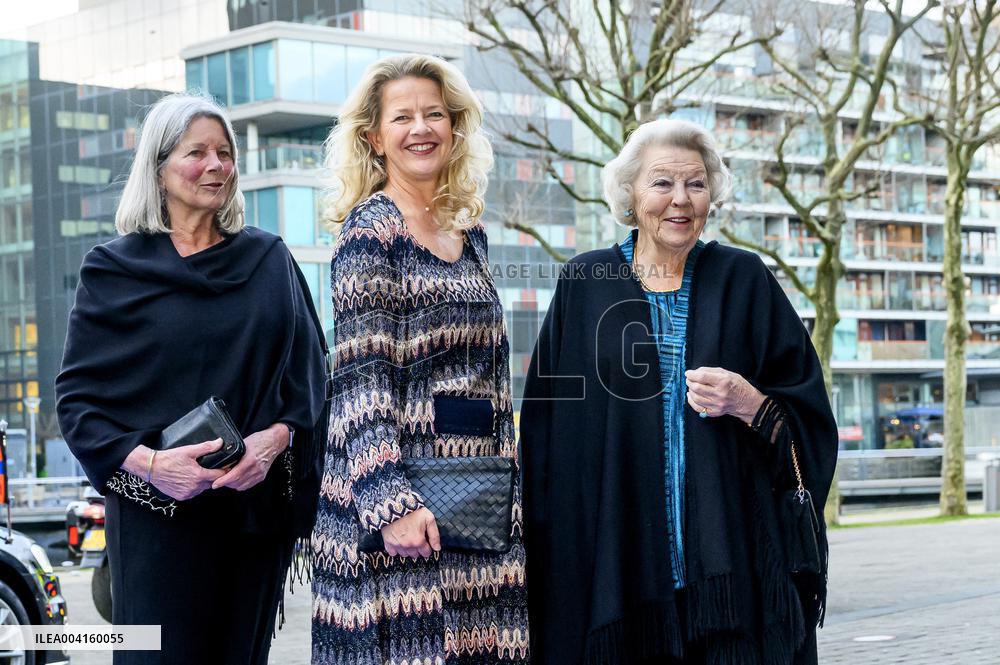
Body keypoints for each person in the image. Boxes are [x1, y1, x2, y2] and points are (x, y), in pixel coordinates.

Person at [520, 118, 838, 665]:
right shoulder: (585, 282)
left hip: (730, 572)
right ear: (631, 194)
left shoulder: (745, 279)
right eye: (662, 183)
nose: (680, 200)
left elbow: (809, 414)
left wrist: (751, 404)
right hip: (616, 571)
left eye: (695, 183)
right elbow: (550, 430)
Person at [55, 93, 329, 665]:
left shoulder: (268, 260)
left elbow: (311, 376)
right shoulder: (113, 271)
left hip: (250, 515)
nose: (216, 166)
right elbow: (79, 403)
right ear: (158, 168)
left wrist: (273, 441)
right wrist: (155, 466)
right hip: (156, 518)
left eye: (225, 153)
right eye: (196, 152)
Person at [311, 54, 529, 664]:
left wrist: (509, 489)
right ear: (374, 137)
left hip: (477, 503)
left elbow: (491, 377)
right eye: (402, 117)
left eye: (434, 114)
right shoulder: (369, 233)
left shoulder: (471, 231)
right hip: (400, 507)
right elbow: (359, 381)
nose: (421, 128)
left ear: (455, 128)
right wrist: (391, 505)